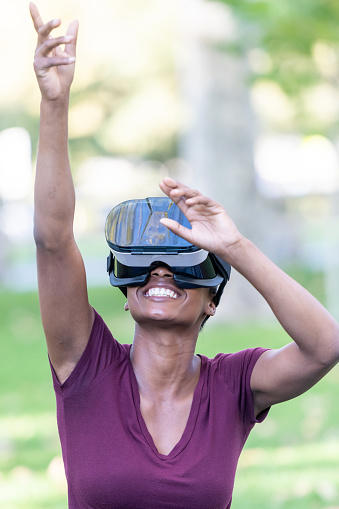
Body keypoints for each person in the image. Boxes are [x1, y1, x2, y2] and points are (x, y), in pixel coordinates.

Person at [29, 3, 339, 508]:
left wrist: (234, 246)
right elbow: (52, 238)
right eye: (146, 262)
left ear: (212, 302)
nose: (160, 270)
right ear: (127, 296)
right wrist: (55, 103)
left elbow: (325, 346)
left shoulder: (234, 386)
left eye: (182, 261)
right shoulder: (85, 368)